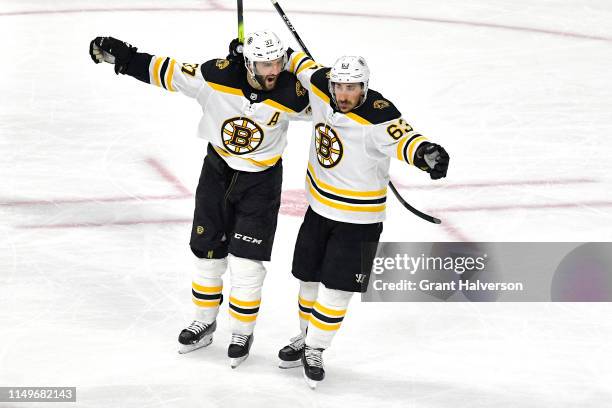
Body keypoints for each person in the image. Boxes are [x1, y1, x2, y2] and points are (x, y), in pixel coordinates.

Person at [89, 31, 310, 368]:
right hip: (217, 174)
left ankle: (241, 332)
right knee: (206, 254)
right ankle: (204, 322)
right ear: (248, 63)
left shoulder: (292, 93)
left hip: (261, 184)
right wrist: (123, 56)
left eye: (278, 61)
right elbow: (167, 71)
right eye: (265, 63)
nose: (273, 70)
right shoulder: (216, 76)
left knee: (247, 265)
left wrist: (300, 62)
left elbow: (335, 99)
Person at [277, 52, 450, 388]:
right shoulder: (320, 87)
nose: (343, 95)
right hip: (318, 210)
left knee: (338, 289)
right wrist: (270, 56)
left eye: (352, 88)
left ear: (364, 87)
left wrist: (427, 154)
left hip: (359, 220)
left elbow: (406, 139)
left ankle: (315, 347)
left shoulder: (379, 115)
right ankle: (305, 335)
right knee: (308, 279)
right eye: (339, 86)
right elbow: (297, 63)